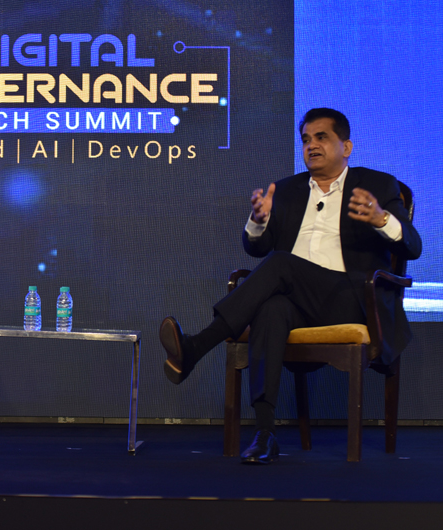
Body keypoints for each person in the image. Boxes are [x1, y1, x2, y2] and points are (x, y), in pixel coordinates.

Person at [159, 108, 422, 464]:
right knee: (271, 308)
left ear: (346, 146)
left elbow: (412, 246)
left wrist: (380, 218)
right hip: (298, 301)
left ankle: (199, 345)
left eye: (321, 138)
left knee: (281, 264)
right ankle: (265, 433)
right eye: (306, 139)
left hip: (353, 300)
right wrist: (258, 221)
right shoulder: (286, 190)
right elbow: (257, 249)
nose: (311, 146)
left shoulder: (378, 186)